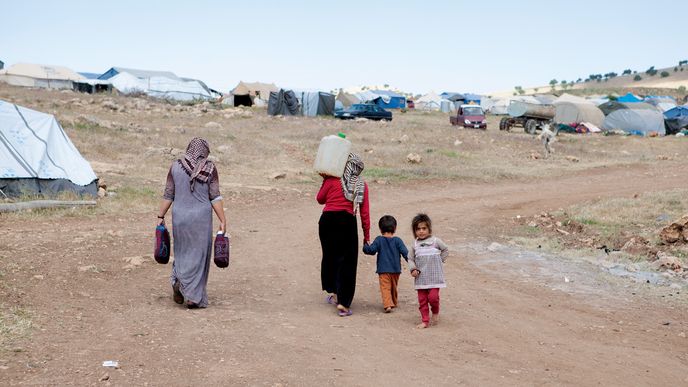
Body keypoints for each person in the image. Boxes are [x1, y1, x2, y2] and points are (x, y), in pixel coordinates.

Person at [157, 137, 227, 309]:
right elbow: (215, 196)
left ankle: (178, 280)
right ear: (205, 151)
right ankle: (193, 297)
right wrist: (223, 220)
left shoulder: (175, 166)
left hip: (180, 218)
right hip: (201, 220)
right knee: (199, 256)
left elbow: (168, 194)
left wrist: (160, 216)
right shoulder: (209, 168)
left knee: (182, 252)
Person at [317, 153, 370, 317]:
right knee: (347, 262)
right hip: (346, 222)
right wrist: (366, 235)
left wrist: (325, 180)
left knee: (331, 256)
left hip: (327, 222)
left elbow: (320, 199)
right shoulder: (361, 185)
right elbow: (365, 213)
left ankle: (333, 293)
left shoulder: (332, 179)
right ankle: (343, 304)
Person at [407, 213, 449, 328]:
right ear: (414, 231)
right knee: (422, 300)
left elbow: (445, 250)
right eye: (418, 229)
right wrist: (413, 269)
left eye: (424, 228)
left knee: (433, 298)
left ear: (429, 228)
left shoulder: (436, 241)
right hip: (421, 278)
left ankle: (435, 312)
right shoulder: (414, 245)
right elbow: (410, 258)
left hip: (435, 277)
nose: (421, 231)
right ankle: (425, 320)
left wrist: (439, 261)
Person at [363, 215, 409, 313]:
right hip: (396, 269)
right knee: (393, 286)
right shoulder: (398, 240)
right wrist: (412, 261)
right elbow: (405, 253)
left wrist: (365, 246)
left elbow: (371, 250)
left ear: (380, 229)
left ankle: (388, 304)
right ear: (395, 228)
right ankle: (394, 301)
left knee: (385, 287)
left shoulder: (379, 240)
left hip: (383, 269)